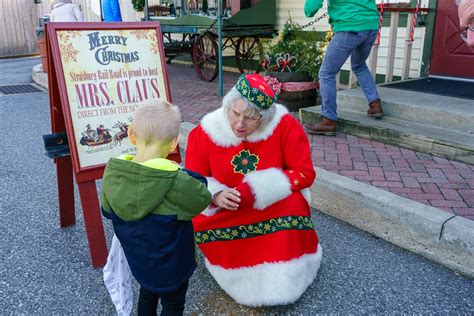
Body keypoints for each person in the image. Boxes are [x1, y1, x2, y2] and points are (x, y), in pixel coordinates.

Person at [185, 73, 322, 307]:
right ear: (227, 106)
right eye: (235, 113)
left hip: (273, 203)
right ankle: (241, 278)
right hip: (226, 207)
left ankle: (285, 281)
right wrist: (216, 194)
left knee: (294, 204)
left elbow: (304, 173)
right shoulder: (204, 132)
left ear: (265, 117)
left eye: (250, 118)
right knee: (201, 220)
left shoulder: (284, 125)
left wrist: (258, 190)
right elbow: (193, 179)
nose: (240, 124)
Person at [101, 101, 212, 315]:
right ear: (173, 144)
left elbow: (107, 211)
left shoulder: (113, 173)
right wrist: (188, 175)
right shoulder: (177, 181)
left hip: (141, 262)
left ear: (131, 135)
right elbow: (202, 198)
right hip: (173, 266)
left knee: (148, 293)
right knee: (172, 304)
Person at [303, 0, 383, 136]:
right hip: (371, 26)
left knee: (326, 73)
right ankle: (375, 105)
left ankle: (328, 120)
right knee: (359, 65)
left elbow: (310, 9)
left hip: (349, 27)